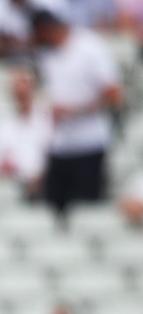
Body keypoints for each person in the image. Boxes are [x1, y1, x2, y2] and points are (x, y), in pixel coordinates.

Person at [30, 7, 123, 218]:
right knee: (52, 209)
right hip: (58, 143)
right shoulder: (46, 54)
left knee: (88, 211)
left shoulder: (89, 47)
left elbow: (114, 95)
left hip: (88, 144)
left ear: (46, 30)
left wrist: (75, 111)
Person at [0, 65, 53, 202]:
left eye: (24, 82)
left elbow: (53, 157)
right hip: (6, 188)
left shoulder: (48, 119)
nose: (19, 89)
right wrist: (0, 167)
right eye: (15, 83)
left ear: (34, 86)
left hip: (42, 188)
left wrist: (39, 177)